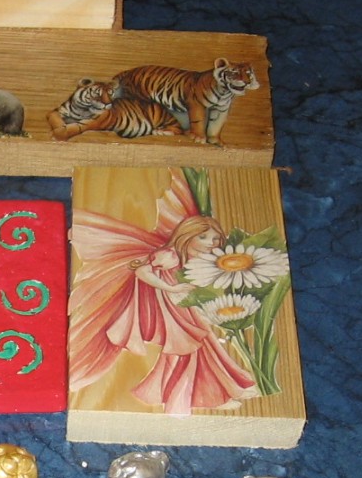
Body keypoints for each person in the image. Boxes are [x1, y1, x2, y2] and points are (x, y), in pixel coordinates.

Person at [68, 173, 256, 415]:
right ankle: (197, 397)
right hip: (171, 312)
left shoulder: (197, 259)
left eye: (215, 238)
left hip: (186, 309)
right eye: (203, 237)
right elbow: (143, 271)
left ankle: (227, 387)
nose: (211, 242)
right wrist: (170, 288)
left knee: (204, 346)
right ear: (187, 236)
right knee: (187, 350)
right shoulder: (171, 255)